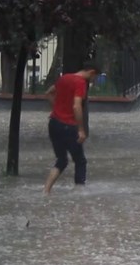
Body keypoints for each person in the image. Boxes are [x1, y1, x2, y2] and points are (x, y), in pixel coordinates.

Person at [43, 61, 100, 195]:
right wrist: (81, 129)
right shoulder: (80, 82)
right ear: (91, 72)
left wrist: (56, 109)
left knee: (62, 160)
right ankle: (79, 193)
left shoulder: (64, 78)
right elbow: (76, 106)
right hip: (68, 126)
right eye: (94, 78)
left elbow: (49, 93)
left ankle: (46, 191)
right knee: (80, 160)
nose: (93, 81)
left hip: (54, 123)